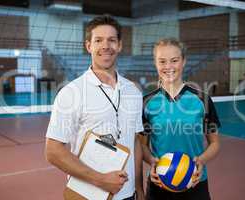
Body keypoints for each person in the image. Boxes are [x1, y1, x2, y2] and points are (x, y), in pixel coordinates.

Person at [45, 15, 145, 200]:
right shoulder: (71, 92)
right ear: (88, 46)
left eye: (111, 40)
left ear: (120, 45)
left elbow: (136, 141)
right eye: (98, 40)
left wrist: (139, 187)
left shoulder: (133, 91)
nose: (106, 46)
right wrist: (100, 180)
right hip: (88, 195)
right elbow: (52, 151)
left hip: (128, 195)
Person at [140, 38, 221, 200]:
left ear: (184, 62)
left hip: (194, 181)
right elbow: (142, 146)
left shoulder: (202, 100)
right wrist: (152, 162)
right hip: (160, 182)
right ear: (155, 64)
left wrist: (201, 160)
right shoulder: (147, 102)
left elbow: (215, 143)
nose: (168, 66)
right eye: (162, 61)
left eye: (174, 60)